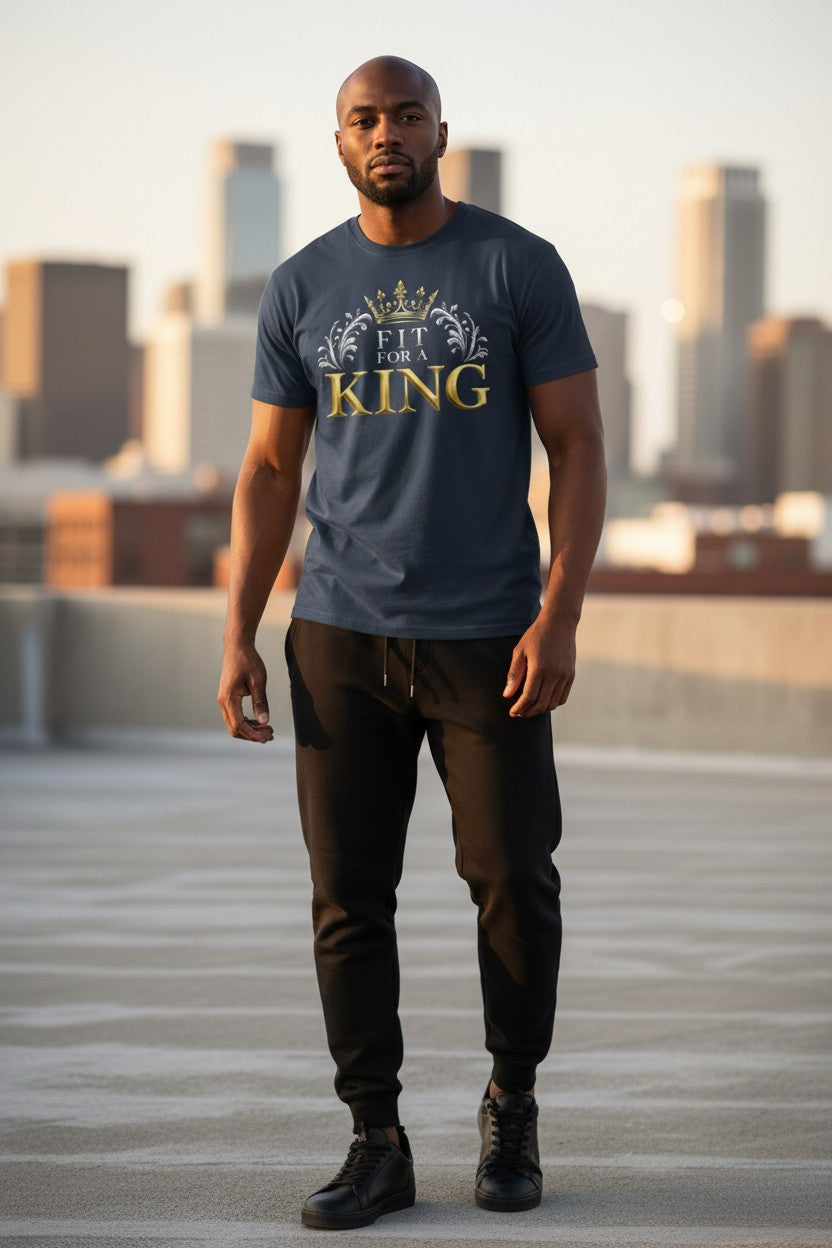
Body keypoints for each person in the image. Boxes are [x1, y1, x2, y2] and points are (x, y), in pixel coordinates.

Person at [218, 54, 606, 1230]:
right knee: (347, 897)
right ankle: (374, 1138)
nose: (385, 134)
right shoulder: (300, 286)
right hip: (338, 634)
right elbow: (270, 467)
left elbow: (579, 448)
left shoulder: (514, 265)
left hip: (488, 637)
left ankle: (512, 1101)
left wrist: (561, 609)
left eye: (405, 117)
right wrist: (238, 630)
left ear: (443, 130)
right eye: (363, 120)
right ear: (338, 141)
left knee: (512, 882)